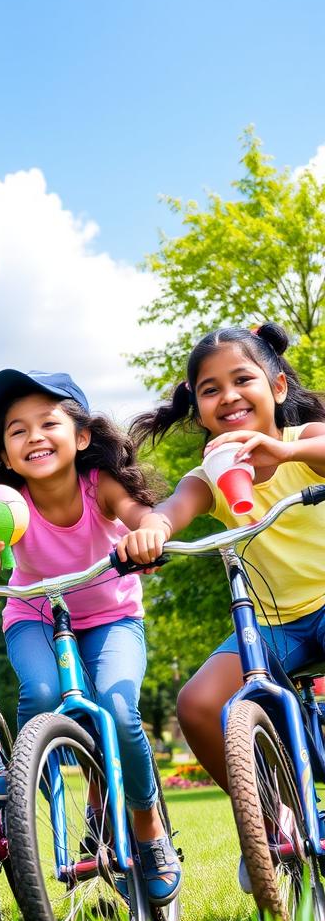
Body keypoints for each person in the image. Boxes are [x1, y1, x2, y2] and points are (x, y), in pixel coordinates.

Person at [0, 367, 181, 905]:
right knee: (45, 694)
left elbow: (137, 513)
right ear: (6, 454)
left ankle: (148, 831)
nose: (33, 436)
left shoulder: (101, 486)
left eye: (48, 423)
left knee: (119, 710)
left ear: (80, 437)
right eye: (17, 429)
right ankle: (29, 768)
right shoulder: (3, 501)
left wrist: (147, 530)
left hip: (112, 617)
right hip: (35, 614)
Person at [129, 322, 325, 871]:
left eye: (243, 379)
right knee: (197, 704)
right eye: (210, 389)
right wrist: (152, 532)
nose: (229, 396)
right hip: (270, 627)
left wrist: (283, 453)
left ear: (278, 387)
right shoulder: (209, 476)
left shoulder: (303, 442)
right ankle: (270, 827)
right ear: (198, 412)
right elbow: (170, 510)